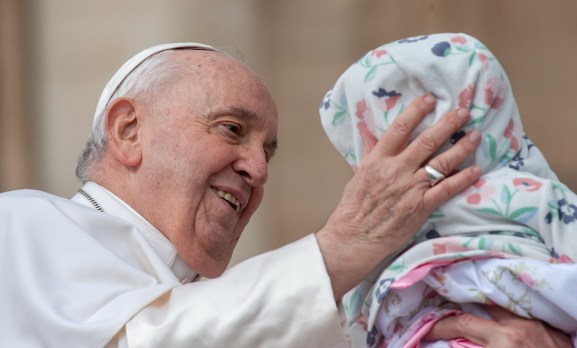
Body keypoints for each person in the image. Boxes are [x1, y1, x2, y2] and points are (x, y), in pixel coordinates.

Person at [0, 42, 483, 347]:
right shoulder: (20, 225)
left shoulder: (213, 300)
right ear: (128, 131)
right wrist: (342, 248)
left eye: (267, 154)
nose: (257, 169)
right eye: (231, 129)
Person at [319, 32, 577, 347]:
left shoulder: (381, 224)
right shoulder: (524, 191)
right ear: (495, 108)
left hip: (420, 329)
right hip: (530, 310)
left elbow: (358, 309)